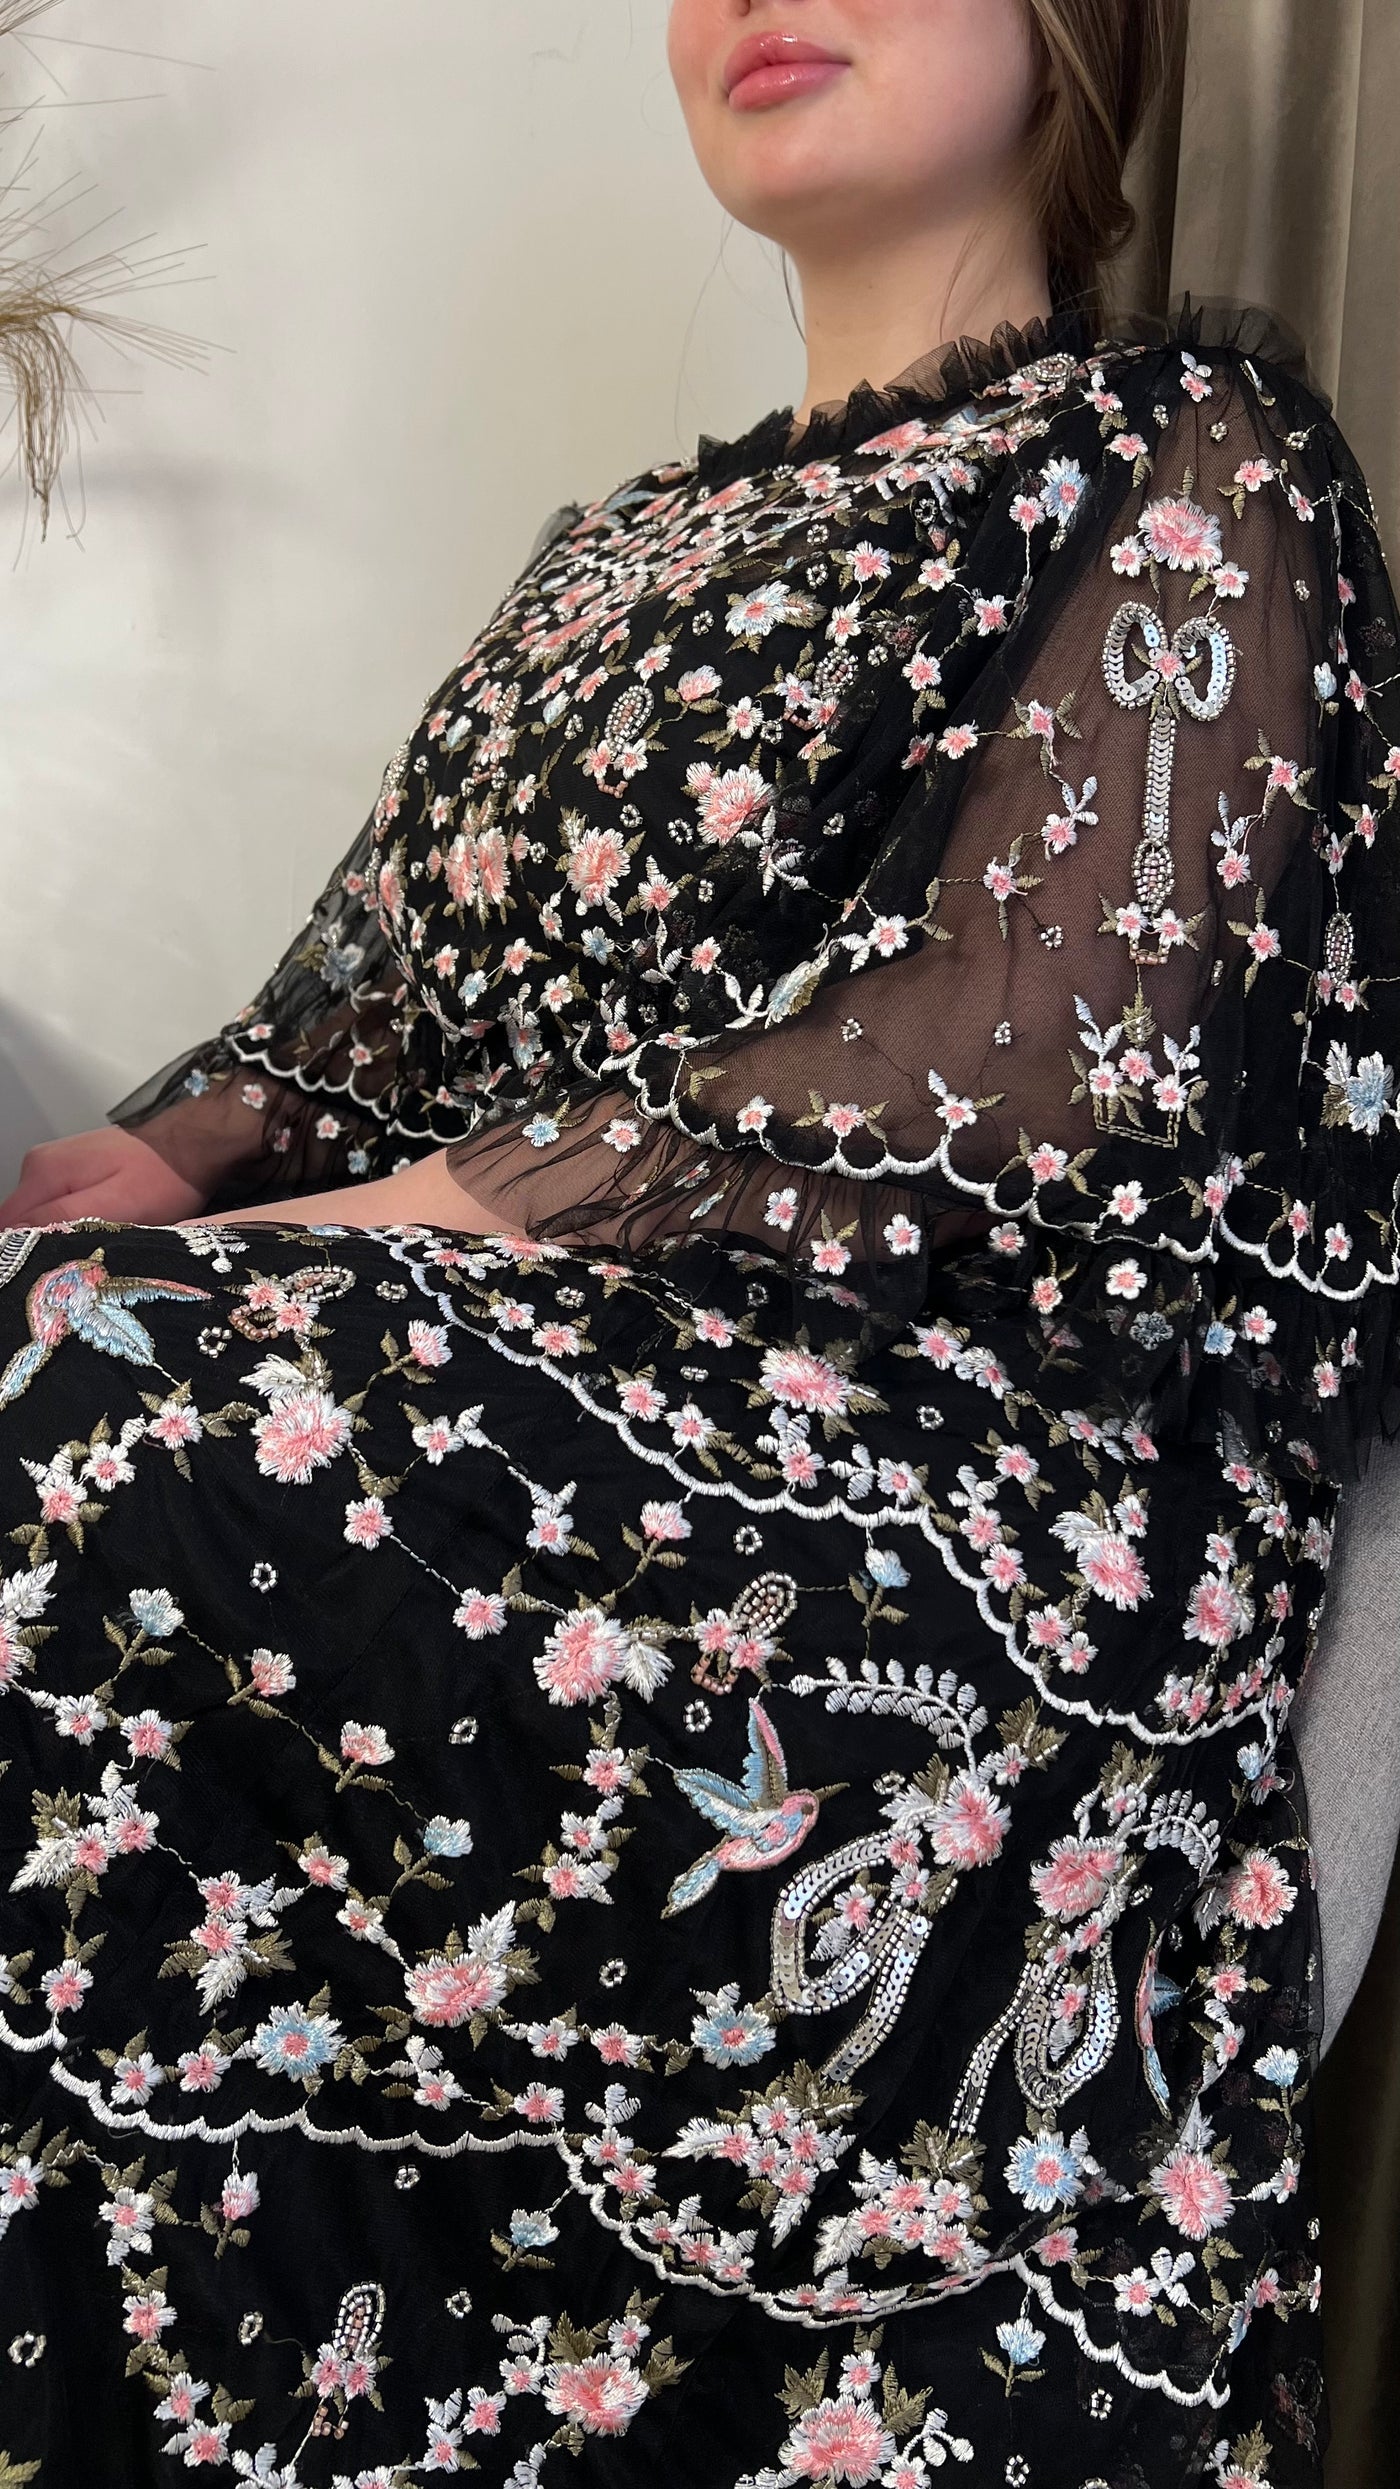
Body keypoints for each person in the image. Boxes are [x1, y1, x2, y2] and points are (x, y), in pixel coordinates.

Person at [2, 0, 1397, 2477]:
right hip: (539, 1390)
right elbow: (376, 1001)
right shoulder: (606, 557)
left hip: (957, 1498)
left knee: (81, 1408)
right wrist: (178, 1154)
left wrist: (392, 1218)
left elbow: (1036, 1055)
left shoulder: (1178, 447)